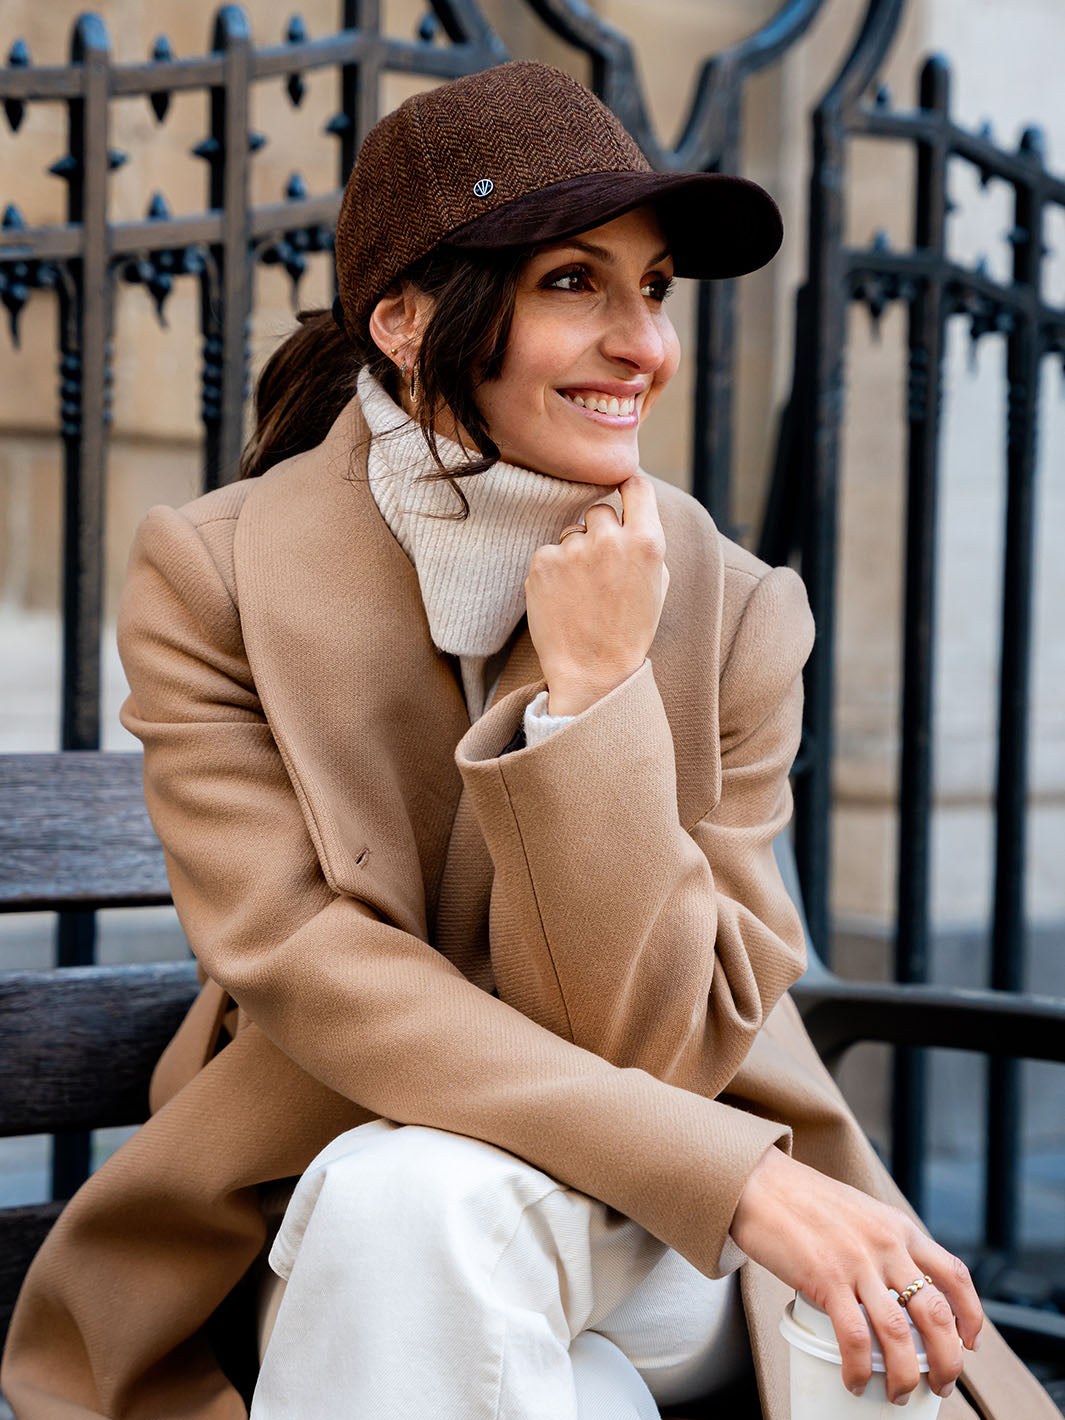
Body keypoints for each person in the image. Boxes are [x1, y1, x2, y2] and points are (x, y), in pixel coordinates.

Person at [0, 60, 1055, 1420]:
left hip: (675, 1238)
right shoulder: (213, 575)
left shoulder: (734, 608)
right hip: (346, 1193)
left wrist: (594, 700)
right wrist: (738, 1173)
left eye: (656, 287)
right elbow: (302, 965)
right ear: (400, 319)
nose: (644, 345)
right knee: (432, 1228)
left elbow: (661, 1039)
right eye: (574, 283)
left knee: (418, 1216)